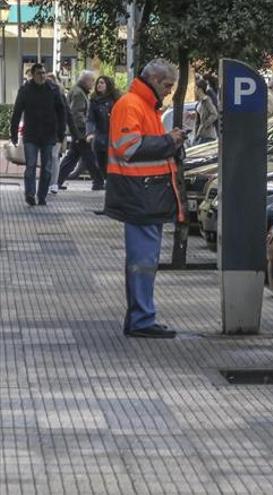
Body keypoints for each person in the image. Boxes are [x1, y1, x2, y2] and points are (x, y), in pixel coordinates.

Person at [104, 59, 187, 339]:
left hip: (144, 193)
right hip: (140, 194)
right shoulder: (132, 105)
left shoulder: (141, 105)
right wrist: (170, 141)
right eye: (167, 85)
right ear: (153, 80)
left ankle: (141, 317)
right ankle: (141, 319)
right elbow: (129, 147)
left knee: (144, 259)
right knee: (143, 260)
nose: (169, 91)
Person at [9, 63, 67, 206]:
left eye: (44, 73)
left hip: (48, 134)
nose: (42, 76)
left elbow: (62, 112)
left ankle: (42, 196)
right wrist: (14, 133)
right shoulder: (25, 90)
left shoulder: (53, 90)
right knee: (31, 166)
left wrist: (61, 132)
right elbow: (17, 112)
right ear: (33, 75)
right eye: (39, 73)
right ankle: (30, 194)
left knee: (46, 168)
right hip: (31, 134)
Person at [58, 70, 103, 190]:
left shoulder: (78, 91)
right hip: (81, 132)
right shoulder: (79, 93)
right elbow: (76, 114)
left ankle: (57, 181)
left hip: (78, 132)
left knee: (72, 157)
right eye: (92, 81)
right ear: (86, 80)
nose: (93, 84)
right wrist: (85, 130)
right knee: (90, 158)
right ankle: (98, 182)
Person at [86, 75, 120, 186]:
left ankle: (108, 182)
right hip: (100, 137)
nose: (99, 85)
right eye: (98, 83)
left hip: (113, 136)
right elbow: (90, 119)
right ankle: (102, 181)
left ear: (108, 85)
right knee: (100, 161)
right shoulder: (94, 101)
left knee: (110, 162)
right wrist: (90, 133)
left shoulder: (116, 100)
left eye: (102, 83)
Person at [45, 73, 69, 194]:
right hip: (44, 133)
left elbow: (65, 114)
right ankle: (48, 182)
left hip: (57, 132)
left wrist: (62, 131)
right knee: (47, 158)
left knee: (54, 156)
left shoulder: (60, 96)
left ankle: (53, 183)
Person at [192, 79, 219, 145]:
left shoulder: (206, 100)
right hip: (200, 134)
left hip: (207, 135)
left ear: (200, 89)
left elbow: (214, 114)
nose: (194, 90)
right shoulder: (199, 102)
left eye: (195, 88)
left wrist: (205, 124)